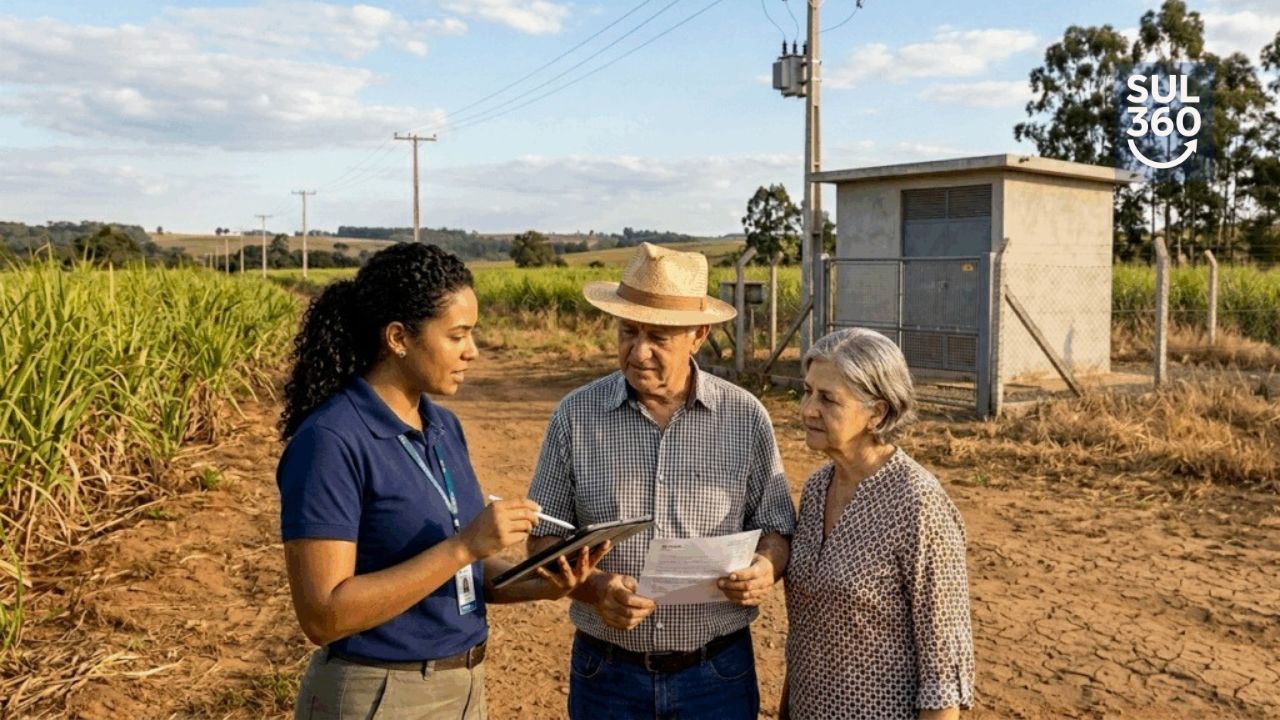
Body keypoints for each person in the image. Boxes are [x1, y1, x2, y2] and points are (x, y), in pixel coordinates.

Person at [276, 243, 606, 720]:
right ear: (397, 338)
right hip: (377, 696)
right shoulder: (330, 441)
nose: (472, 352)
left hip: (463, 687)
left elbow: (461, 578)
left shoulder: (443, 426)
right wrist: (465, 546)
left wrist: (547, 583)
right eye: (457, 336)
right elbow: (323, 615)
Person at [525, 242, 797, 720]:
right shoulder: (576, 416)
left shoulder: (745, 417)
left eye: (659, 337)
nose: (639, 351)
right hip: (606, 674)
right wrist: (598, 588)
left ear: (698, 335)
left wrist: (764, 569)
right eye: (628, 331)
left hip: (716, 674)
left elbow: (776, 526)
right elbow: (543, 540)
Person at [783, 328, 975, 720]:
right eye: (807, 391)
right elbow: (807, 630)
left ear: (878, 412)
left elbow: (944, 672)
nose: (807, 410)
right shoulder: (819, 486)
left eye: (828, 399)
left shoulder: (918, 504)